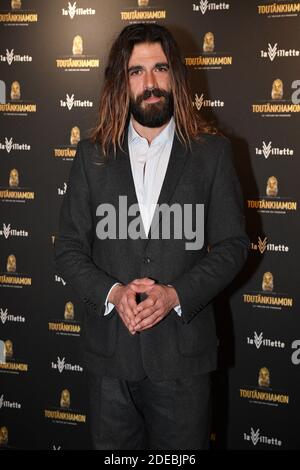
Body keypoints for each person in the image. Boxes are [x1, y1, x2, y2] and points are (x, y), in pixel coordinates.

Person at [55, 23, 249, 450]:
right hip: (110, 363)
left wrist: (175, 295)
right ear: (121, 83)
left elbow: (234, 245)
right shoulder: (92, 157)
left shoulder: (211, 153)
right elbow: (68, 248)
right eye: (136, 71)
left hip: (183, 363)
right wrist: (112, 292)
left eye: (159, 69)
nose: (150, 83)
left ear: (175, 75)